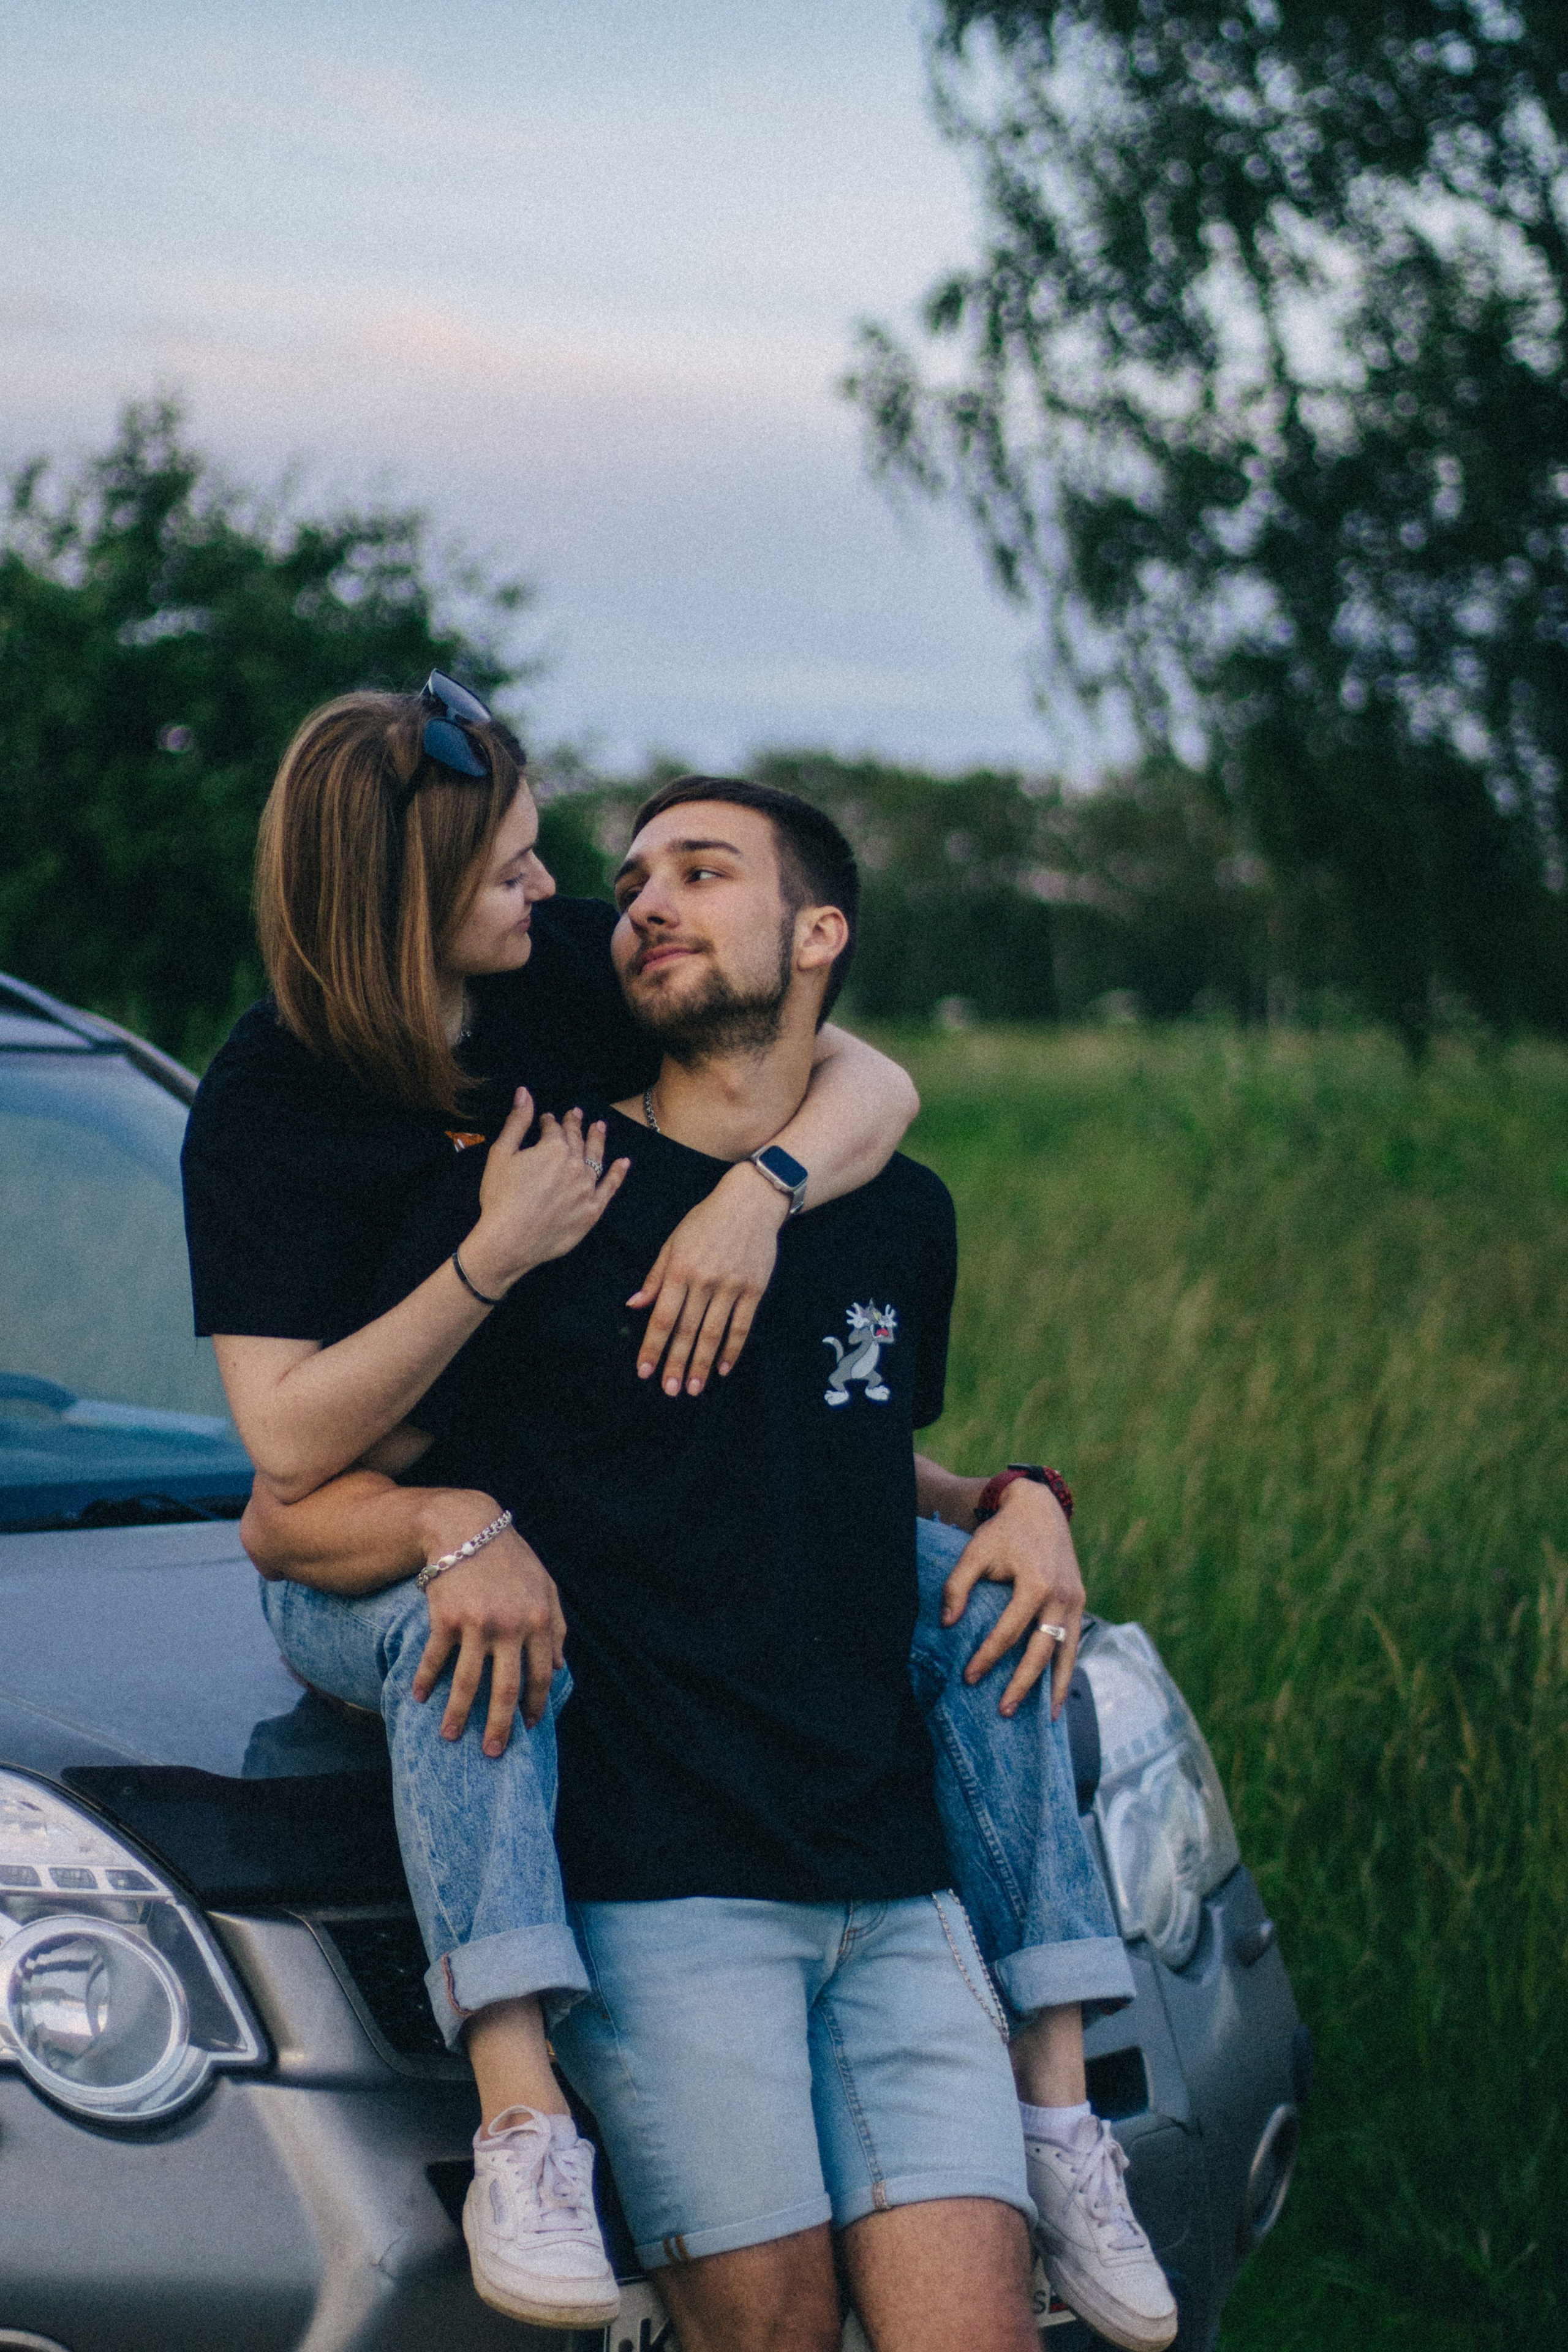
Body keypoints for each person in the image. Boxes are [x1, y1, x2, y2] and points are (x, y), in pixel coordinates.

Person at [241, 776, 1178, 2351]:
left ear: (817, 935)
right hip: (664, 1892)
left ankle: (1059, 2120)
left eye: (700, 869)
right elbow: (296, 1499)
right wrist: (449, 1531)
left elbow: (832, 1456)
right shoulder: (553, 1197)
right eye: (627, 877)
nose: (643, 900)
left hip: (888, 1887)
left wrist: (1013, 1495)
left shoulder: (901, 1218)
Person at [181, 679, 929, 2328]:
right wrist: (490, 1260)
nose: (556, 896)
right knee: (470, 1640)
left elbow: (869, 1074)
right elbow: (290, 1450)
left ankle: (1036, 2068)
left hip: (563, 1492)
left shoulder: (549, 982)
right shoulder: (270, 1106)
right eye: (514, 871)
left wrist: (764, 1192)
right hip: (360, 1537)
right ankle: (522, 2107)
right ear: (405, 903)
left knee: (948, 1573)